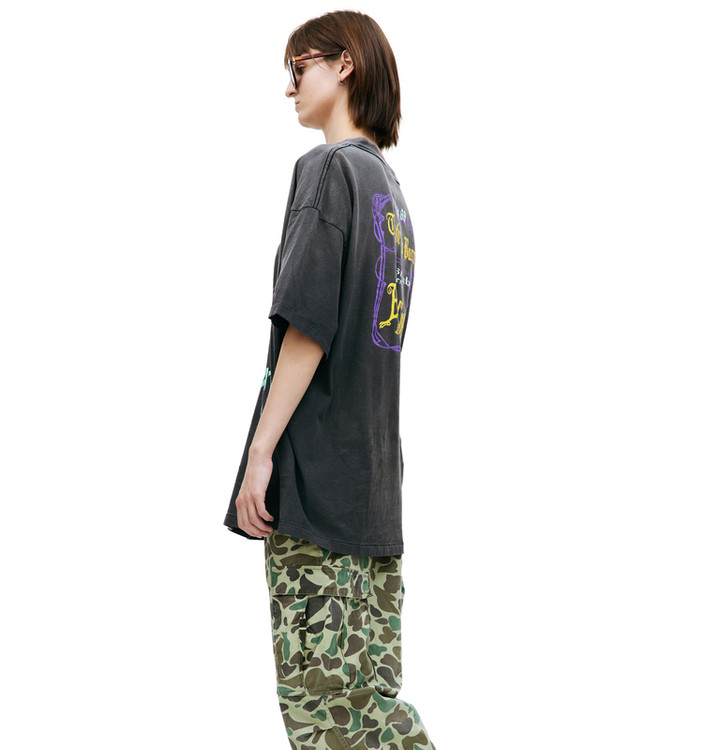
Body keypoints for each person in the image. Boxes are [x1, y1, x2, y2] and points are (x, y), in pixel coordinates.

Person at [223, 10, 435, 750]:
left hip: (317, 494)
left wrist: (260, 453)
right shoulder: (391, 196)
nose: (290, 88)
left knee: (328, 720)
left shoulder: (328, 170)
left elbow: (309, 328)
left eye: (299, 67)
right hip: (373, 497)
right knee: (370, 705)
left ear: (345, 64)